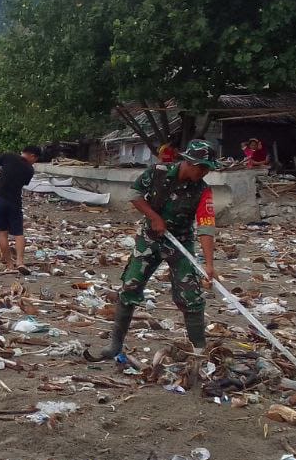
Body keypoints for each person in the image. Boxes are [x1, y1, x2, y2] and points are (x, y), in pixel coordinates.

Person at [85, 140, 220, 362]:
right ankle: (115, 344)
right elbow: (135, 195)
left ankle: (199, 351)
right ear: (188, 162)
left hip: (180, 242)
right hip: (150, 238)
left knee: (191, 295)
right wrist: (154, 217)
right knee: (130, 286)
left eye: (208, 168)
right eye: (202, 167)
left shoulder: (203, 190)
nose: (205, 172)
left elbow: (206, 225)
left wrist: (209, 265)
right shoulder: (158, 173)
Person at [0, 146, 41, 272]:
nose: (34, 162)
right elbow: (22, 183)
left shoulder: (8, 156)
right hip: (15, 202)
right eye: (36, 159)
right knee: (18, 233)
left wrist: (1, 172)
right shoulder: (29, 170)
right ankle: (20, 262)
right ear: (32, 156)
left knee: (2, 233)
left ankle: (10, 265)